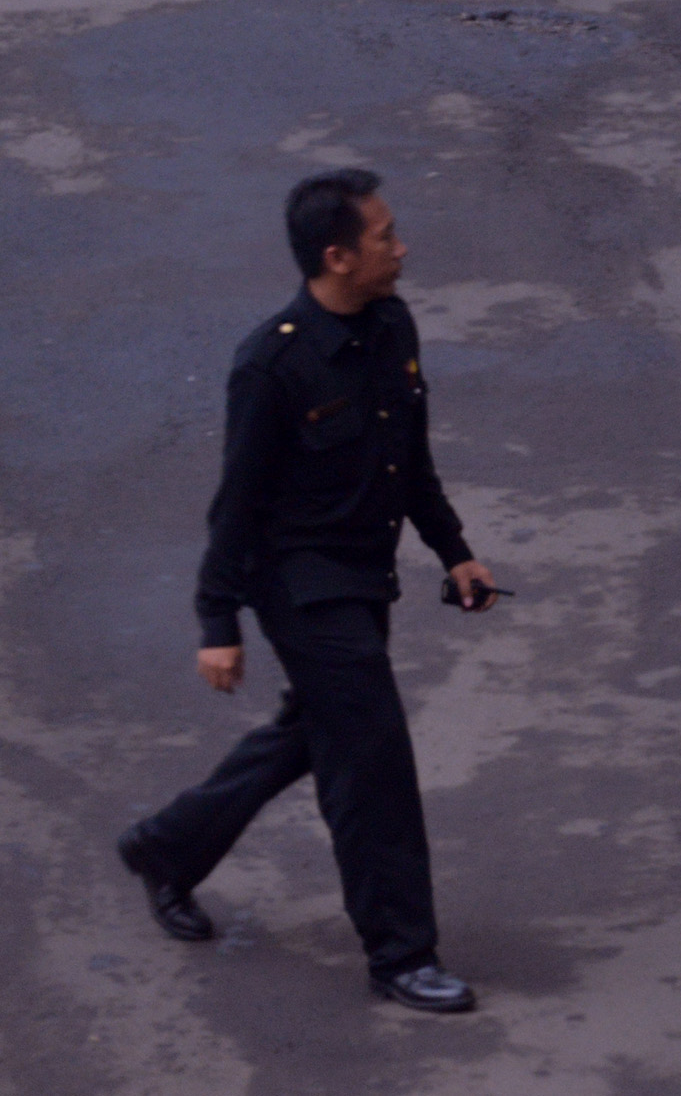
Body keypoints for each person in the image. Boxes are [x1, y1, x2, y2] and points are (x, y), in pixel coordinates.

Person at [117, 169, 499, 1013]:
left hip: (364, 574)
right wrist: (217, 621)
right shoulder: (274, 362)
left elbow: (411, 461)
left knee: (314, 731)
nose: (401, 248)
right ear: (337, 255)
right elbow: (236, 503)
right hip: (298, 585)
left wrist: (455, 551)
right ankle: (401, 954)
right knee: (370, 757)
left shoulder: (392, 323)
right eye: (385, 236)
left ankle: (165, 846)